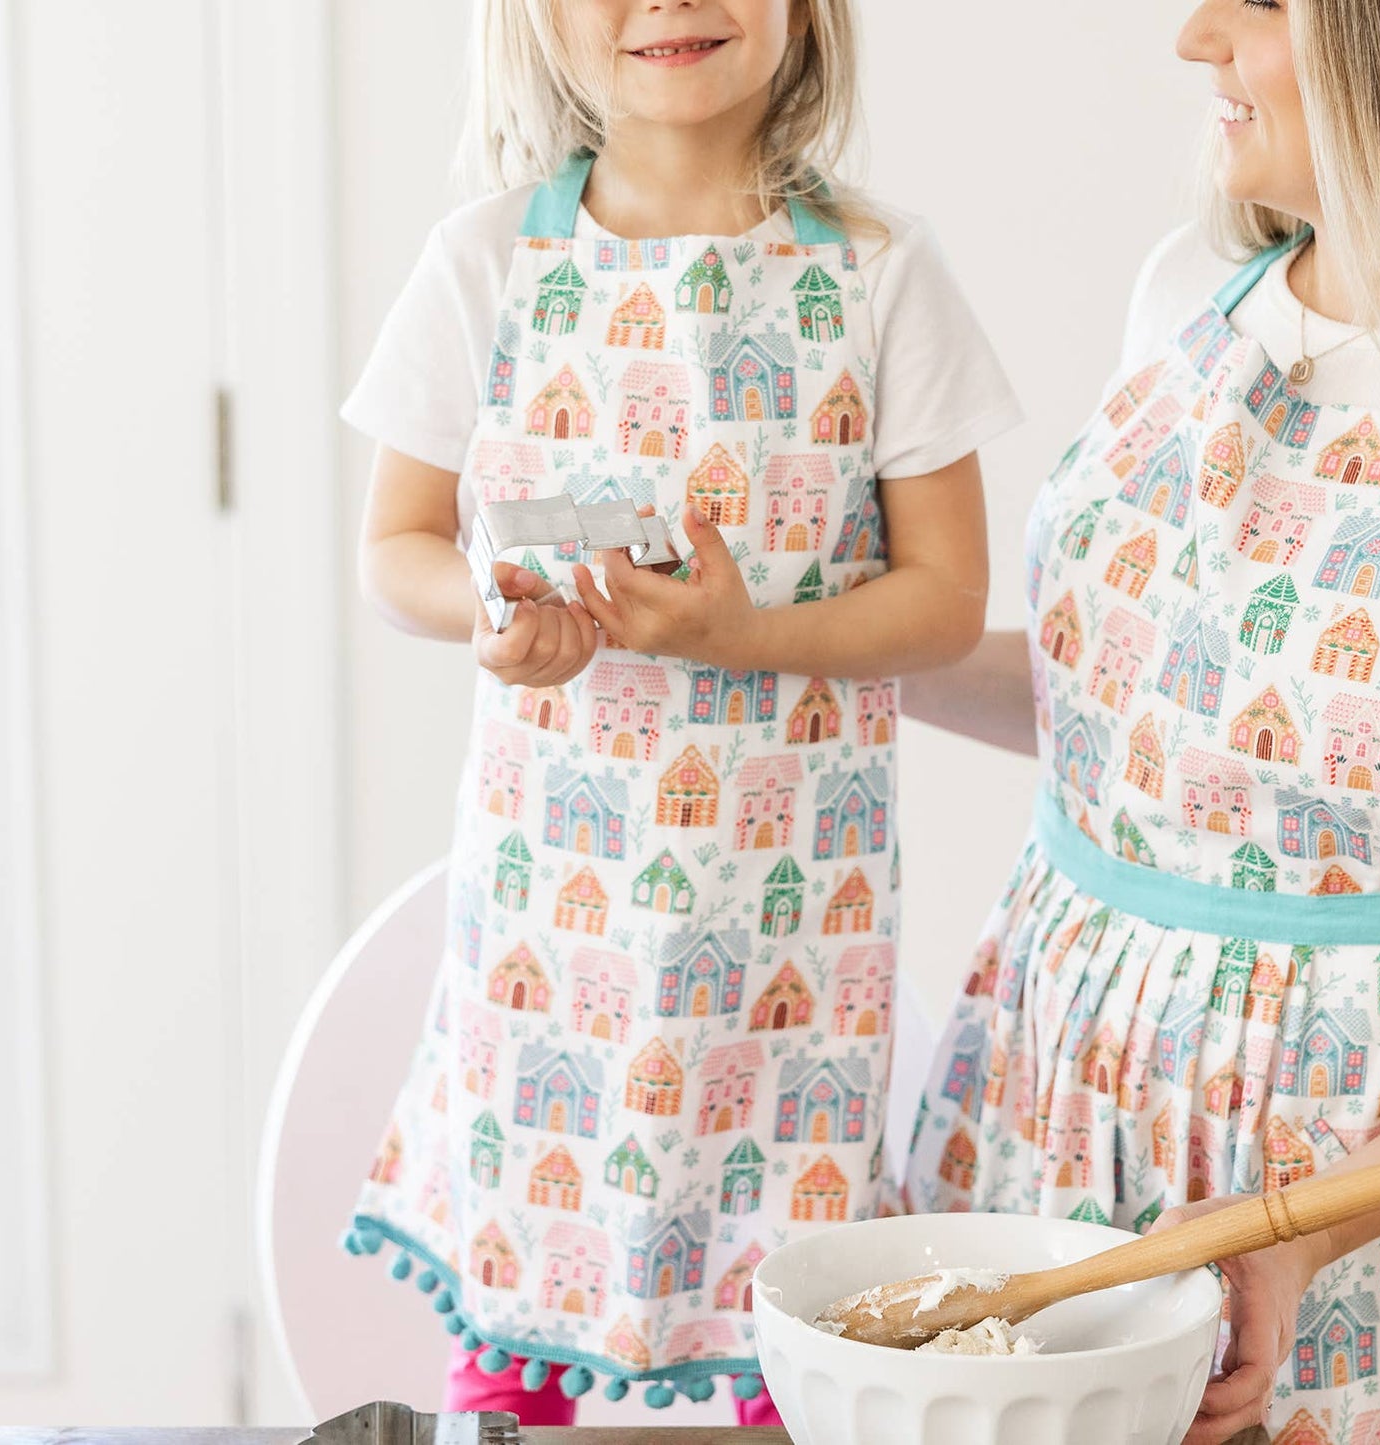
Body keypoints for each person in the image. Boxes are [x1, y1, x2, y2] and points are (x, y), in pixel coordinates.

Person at [338, 0, 1020, 1423]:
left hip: (790, 915)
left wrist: (749, 634)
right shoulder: (487, 259)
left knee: (794, 1290)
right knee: (533, 1240)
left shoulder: (881, 272)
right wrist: (500, 614)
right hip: (552, 906)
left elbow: (944, 599)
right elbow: (395, 548)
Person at [901, 2, 1380, 1441]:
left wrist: (1293, 1231)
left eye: (1257, 4)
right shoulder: (1196, 290)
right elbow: (1138, 723)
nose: (1195, 39)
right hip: (1046, 1094)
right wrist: (801, 647)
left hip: (1338, 1192)